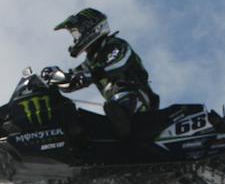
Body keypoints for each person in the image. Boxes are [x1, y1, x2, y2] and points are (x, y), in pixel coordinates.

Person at [46, 8, 160, 147]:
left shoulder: (115, 45)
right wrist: (55, 77)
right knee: (83, 118)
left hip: (138, 98)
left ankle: (129, 138)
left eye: (76, 33)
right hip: (115, 106)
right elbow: (72, 81)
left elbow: (118, 61)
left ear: (90, 28)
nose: (75, 39)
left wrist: (91, 75)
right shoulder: (91, 61)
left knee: (118, 102)